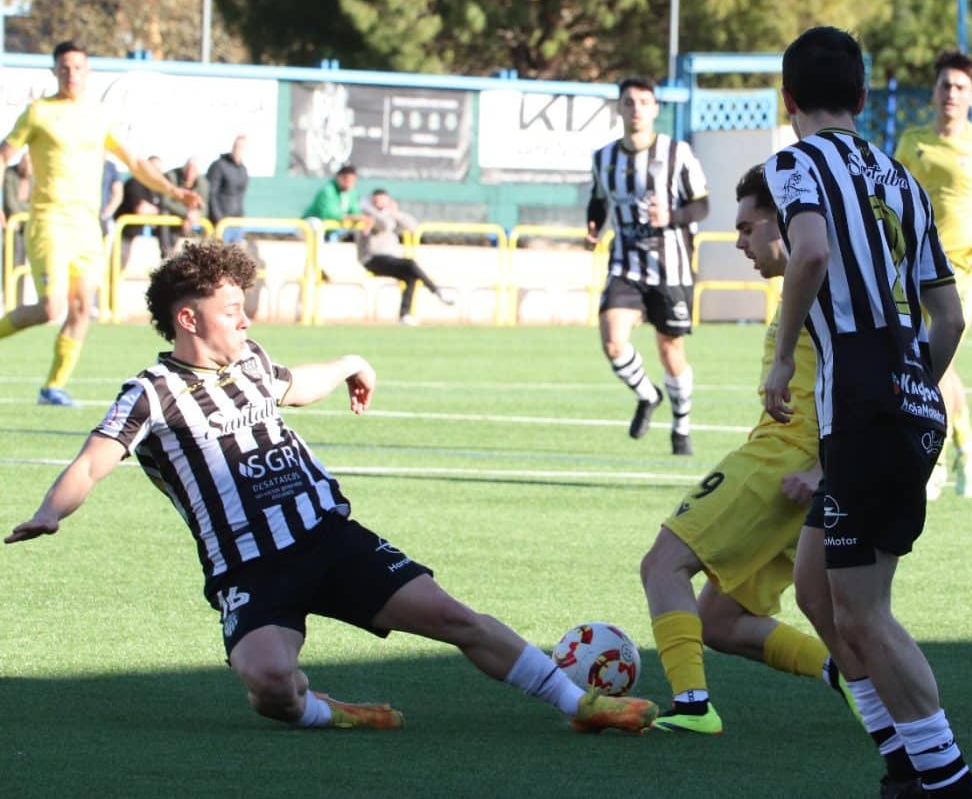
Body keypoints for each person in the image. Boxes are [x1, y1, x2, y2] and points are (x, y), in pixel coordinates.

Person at [4, 239, 659, 735]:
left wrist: (350, 362)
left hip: (328, 538)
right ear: (188, 318)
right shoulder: (151, 392)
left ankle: (578, 703)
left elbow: (295, 384)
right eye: (231, 310)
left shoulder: (252, 362)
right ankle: (327, 712)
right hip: (248, 568)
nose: (245, 320)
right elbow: (91, 462)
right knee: (271, 685)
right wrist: (50, 511)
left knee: (455, 617)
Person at [762, 26, 972, 799]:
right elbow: (949, 317)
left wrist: (781, 358)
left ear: (788, 99)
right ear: (861, 97)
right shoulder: (902, 178)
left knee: (863, 609)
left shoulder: (794, 163)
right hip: (904, 397)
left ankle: (950, 781)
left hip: (860, 401)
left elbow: (811, 253)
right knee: (814, 588)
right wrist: (911, 387)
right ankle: (903, 758)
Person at [639, 164, 847, 735]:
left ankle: (691, 707)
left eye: (747, 228)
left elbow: (866, 385)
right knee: (720, 620)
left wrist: (821, 468)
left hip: (785, 459)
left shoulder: (825, 286)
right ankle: (849, 676)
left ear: (787, 222)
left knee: (663, 563)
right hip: (801, 471)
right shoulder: (817, 285)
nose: (739, 243)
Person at [0, 40, 200, 407]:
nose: (71, 74)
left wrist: (173, 190)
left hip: (87, 227)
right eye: (64, 68)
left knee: (81, 309)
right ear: (54, 71)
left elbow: (135, 162)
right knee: (51, 308)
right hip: (49, 220)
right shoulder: (39, 113)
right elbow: (4, 156)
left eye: (78, 67)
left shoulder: (99, 116)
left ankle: (53, 387)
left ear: (87, 72)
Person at [895, 49, 972, 499]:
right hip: (916, 265)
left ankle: (935, 457)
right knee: (934, 362)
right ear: (934, 92)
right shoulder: (913, 142)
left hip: (965, 269)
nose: (951, 93)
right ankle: (967, 444)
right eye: (945, 85)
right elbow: (895, 193)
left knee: (936, 358)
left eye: (960, 87)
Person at [586, 77, 710, 456]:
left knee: (670, 350)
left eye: (644, 102)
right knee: (612, 341)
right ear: (619, 109)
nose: (636, 109)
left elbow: (702, 205)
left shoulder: (678, 153)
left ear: (655, 109)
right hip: (625, 264)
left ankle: (681, 427)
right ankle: (647, 394)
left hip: (670, 266)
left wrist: (671, 215)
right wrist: (593, 225)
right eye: (629, 102)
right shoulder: (603, 159)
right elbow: (599, 200)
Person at [358, 188, 454, 325]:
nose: (380, 203)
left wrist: (395, 213)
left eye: (383, 200)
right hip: (372, 259)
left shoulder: (390, 215)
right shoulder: (366, 215)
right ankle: (437, 291)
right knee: (409, 264)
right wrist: (382, 213)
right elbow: (384, 225)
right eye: (377, 200)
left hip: (390, 259)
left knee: (410, 275)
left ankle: (404, 314)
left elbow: (413, 227)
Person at [159, 156, 210, 255]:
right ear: (184, 168)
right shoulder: (171, 176)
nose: (190, 173)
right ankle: (166, 251)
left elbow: (204, 208)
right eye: (188, 169)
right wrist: (186, 213)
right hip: (172, 220)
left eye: (193, 170)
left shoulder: (203, 183)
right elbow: (165, 202)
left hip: (191, 223)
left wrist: (195, 215)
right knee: (164, 213)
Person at [303, 164, 367, 237]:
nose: (349, 182)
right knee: (316, 224)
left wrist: (361, 218)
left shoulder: (352, 192)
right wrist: (352, 217)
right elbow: (329, 214)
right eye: (345, 179)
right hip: (312, 225)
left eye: (352, 180)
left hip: (334, 230)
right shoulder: (328, 190)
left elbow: (355, 211)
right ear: (338, 177)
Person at [206, 135, 249, 240]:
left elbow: (240, 196)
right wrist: (219, 219)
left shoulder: (243, 170)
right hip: (221, 222)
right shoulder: (219, 166)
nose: (238, 150)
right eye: (236, 146)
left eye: (242, 148)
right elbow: (211, 194)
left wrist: (241, 218)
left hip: (237, 222)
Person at [2, 152, 32, 265]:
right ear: (20, 162)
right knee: (13, 258)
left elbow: (34, 202)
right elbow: (10, 202)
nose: (27, 166)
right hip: (11, 224)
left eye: (30, 162)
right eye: (25, 162)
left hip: (27, 223)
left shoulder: (33, 178)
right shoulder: (9, 173)